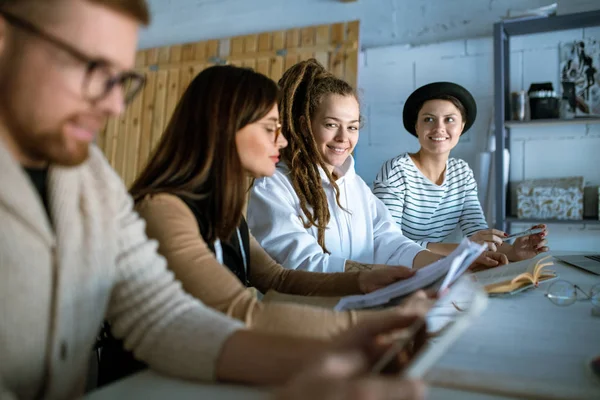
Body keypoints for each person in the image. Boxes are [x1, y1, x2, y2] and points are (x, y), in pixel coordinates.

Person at [0, 1, 429, 399]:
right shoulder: (160, 206)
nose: (114, 105)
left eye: (120, 80)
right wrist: (353, 328)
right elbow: (233, 308)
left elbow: (163, 316)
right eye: (92, 67)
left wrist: (329, 354)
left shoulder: (91, 178)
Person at [127, 64, 418, 341]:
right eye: (269, 129)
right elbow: (241, 310)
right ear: (224, 127)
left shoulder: (224, 213)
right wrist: (373, 323)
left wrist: (365, 280)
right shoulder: (162, 209)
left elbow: (278, 280)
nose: (281, 141)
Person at [247, 59, 506, 273]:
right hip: (304, 320)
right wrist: (376, 275)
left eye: (352, 127)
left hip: (357, 306)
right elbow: (302, 263)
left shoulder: (355, 185)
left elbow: (390, 242)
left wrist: (452, 264)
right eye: (331, 124)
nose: (343, 138)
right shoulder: (273, 186)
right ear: (305, 126)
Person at [373, 82, 548, 261]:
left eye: (449, 119)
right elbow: (387, 244)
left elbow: (479, 234)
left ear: (462, 126)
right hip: (400, 272)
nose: (439, 128)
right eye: (428, 119)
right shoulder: (396, 171)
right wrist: (464, 248)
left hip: (442, 267)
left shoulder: (462, 173)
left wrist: (513, 252)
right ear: (416, 127)